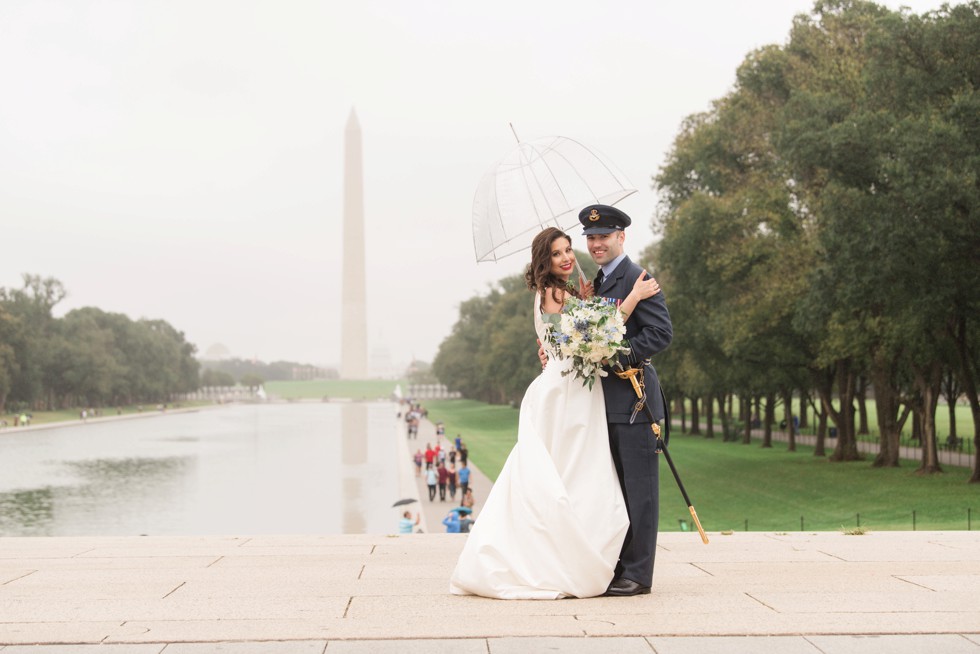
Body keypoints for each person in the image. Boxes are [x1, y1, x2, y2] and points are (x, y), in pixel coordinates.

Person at [450, 222, 662, 600]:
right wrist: (632, 296)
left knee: (569, 475)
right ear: (544, 261)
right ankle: (570, 560)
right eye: (557, 253)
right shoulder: (555, 293)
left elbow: (571, 336)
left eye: (568, 250)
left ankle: (589, 557)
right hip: (568, 393)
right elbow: (596, 334)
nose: (567, 257)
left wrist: (568, 326)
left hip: (566, 386)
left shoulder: (564, 292)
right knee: (573, 474)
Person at [579, 204, 673, 596]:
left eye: (604, 236)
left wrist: (618, 354)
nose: (597, 243)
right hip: (604, 404)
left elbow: (660, 333)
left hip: (635, 402)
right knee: (614, 490)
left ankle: (638, 574)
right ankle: (619, 566)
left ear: (621, 237)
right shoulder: (595, 284)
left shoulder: (639, 278)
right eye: (591, 237)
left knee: (640, 490)